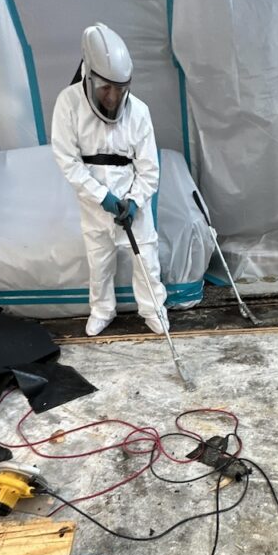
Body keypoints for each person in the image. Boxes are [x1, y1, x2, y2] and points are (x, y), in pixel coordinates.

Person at [52, 23, 168, 337]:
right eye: (106, 88)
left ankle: (154, 309)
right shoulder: (68, 104)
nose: (114, 97)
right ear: (89, 76)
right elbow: (67, 160)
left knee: (145, 258)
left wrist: (135, 200)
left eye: (120, 89)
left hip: (132, 203)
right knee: (99, 262)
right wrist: (101, 197)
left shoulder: (139, 112)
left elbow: (149, 170)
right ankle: (102, 310)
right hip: (93, 204)